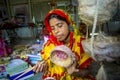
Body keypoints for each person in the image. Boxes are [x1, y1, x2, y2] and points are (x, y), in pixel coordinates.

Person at [33, 9, 94, 80]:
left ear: (68, 24)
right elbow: (48, 63)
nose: (56, 31)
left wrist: (73, 72)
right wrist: (43, 65)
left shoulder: (81, 44)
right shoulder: (49, 45)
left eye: (60, 26)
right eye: (52, 28)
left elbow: (89, 71)